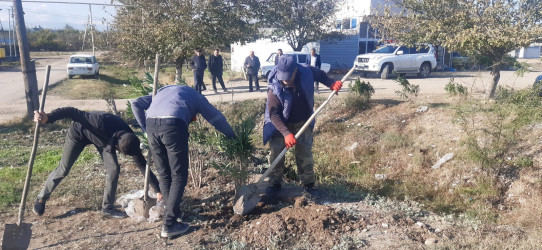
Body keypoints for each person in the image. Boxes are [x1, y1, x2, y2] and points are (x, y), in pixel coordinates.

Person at [131, 85, 236, 238]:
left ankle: (173, 213)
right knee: (178, 175)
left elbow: (136, 103)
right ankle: (169, 224)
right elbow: (216, 118)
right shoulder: (195, 96)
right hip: (173, 126)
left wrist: (145, 129)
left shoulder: (162, 91)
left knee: (164, 174)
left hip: (152, 125)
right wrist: (232, 136)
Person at [32, 107, 162, 218]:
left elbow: (142, 165)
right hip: (79, 132)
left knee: (113, 169)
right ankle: (41, 198)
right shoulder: (98, 121)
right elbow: (71, 112)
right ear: (116, 146)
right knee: (64, 168)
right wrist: (48, 118)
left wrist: (157, 190)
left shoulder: (130, 139)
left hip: (105, 141)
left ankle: (107, 208)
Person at [263, 55, 342, 198]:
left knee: (305, 154)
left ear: (295, 70)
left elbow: (320, 74)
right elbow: (274, 114)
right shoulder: (274, 85)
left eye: (288, 76)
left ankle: (309, 185)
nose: (285, 79)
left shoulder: (306, 71)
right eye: (282, 76)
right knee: (276, 155)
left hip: (303, 122)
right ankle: (274, 185)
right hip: (280, 125)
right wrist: (286, 133)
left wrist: (331, 83)